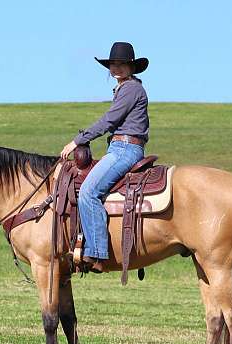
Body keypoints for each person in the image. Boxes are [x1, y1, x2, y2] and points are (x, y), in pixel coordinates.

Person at [60, 41, 150, 272]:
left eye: (122, 64)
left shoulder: (131, 89)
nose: (116, 68)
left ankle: (97, 253)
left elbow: (109, 120)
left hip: (125, 149)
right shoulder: (125, 88)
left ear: (132, 67)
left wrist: (78, 140)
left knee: (88, 192)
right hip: (120, 147)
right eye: (113, 64)